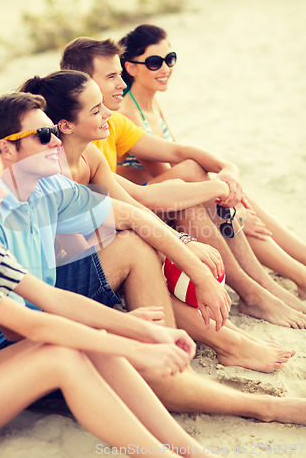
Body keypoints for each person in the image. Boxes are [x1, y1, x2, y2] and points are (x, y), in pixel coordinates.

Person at [0, 92, 306, 427]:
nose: (56, 141)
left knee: (132, 244)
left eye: (54, 131)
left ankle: (176, 369)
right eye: (43, 136)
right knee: (105, 343)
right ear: (5, 149)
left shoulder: (47, 187)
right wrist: (120, 329)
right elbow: (17, 328)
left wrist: (199, 274)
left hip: (41, 303)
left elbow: (132, 216)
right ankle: (260, 405)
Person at [0, 130, 212, 458]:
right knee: (64, 357)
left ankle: (190, 451)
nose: (1, 194)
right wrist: (134, 348)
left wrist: (144, 331)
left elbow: (54, 300)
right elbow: (32, 325)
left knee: (84, 337)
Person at [18, 69, 294, 373]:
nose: (108, 112)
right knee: (141, 248)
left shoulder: (89, 158)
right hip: (55, 284)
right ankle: (229, 340)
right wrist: (183, 251)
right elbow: (112, 227)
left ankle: (234, 330)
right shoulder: (50, 172)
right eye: (96, 110)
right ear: (65, 125)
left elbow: (134, 207)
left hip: (90, 259)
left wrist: (184, 245)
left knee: (151, 241)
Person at [59, 35, 306, 328]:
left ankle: (266, 287)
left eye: (170, 59)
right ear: (82, 83)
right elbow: (143, 197)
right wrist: (218, 192)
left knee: (201, 185)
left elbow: (176, 153)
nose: (121, 84)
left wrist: (229, 169)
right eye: (112, 76)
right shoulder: (79, 138)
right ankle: (259, 290)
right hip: (109, 234)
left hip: (129, 213)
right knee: (195, 191)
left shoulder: (110, 122)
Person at [118, 23, 306, 301]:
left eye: (170, 60)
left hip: (170, 193)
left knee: (235, 199)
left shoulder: (151, 102)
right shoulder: (127, 111)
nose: (165, 69)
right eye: (155, 62)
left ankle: (301, 266)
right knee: (227, 202)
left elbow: (179, 165)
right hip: (146, 206)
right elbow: (176, 175)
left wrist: (228, 191)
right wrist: (227, 209)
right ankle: (298, 275)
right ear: (131, 67)